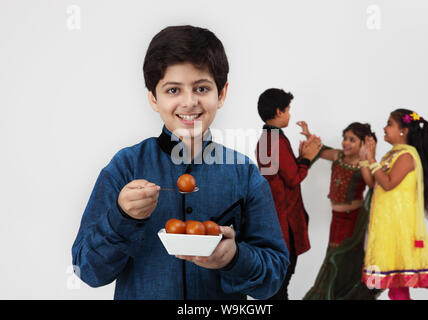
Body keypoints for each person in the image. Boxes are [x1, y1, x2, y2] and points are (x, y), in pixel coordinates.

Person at [72, 25, 289, 300]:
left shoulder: (244, 174)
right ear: (153, 97)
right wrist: (122, 217)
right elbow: (87, 271)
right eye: (173, 90)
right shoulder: (125, 167)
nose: (189, 102)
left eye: (201, 88)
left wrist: (235, 258)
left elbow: (274, 275)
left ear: (221, 94)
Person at [362, 109, 428, 300]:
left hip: (399, 230)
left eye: (389, 124)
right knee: (396, 288)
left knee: (398, 288)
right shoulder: (391, 155)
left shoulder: (406, 156)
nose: (384, 128)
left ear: (404, 131)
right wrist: (366, 158)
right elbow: (374, 183)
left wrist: (372, 160)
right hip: (388, 228)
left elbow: (388, 184)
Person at [300, 121, 381, 300]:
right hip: (336, 220)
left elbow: (372, 184)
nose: (346, 142)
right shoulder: (337, 156)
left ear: (363, 144)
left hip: (353, 220)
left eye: (352, 139)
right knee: (334, 257)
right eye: (345, 138)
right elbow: (319, 150)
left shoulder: (363, 164)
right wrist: (308, 136)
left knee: (345, 259)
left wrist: (367, 158)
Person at [255, 88, 322, 300]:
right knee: (280, 283)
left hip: (275, 219)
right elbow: (293, 178)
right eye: (288, 110)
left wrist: (301, 157)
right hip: (284, 222)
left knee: (279, 281)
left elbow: (284, 173)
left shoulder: (267, 139)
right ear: (278, 111)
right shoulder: (274, 141)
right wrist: (307, 158)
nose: (290, 115)